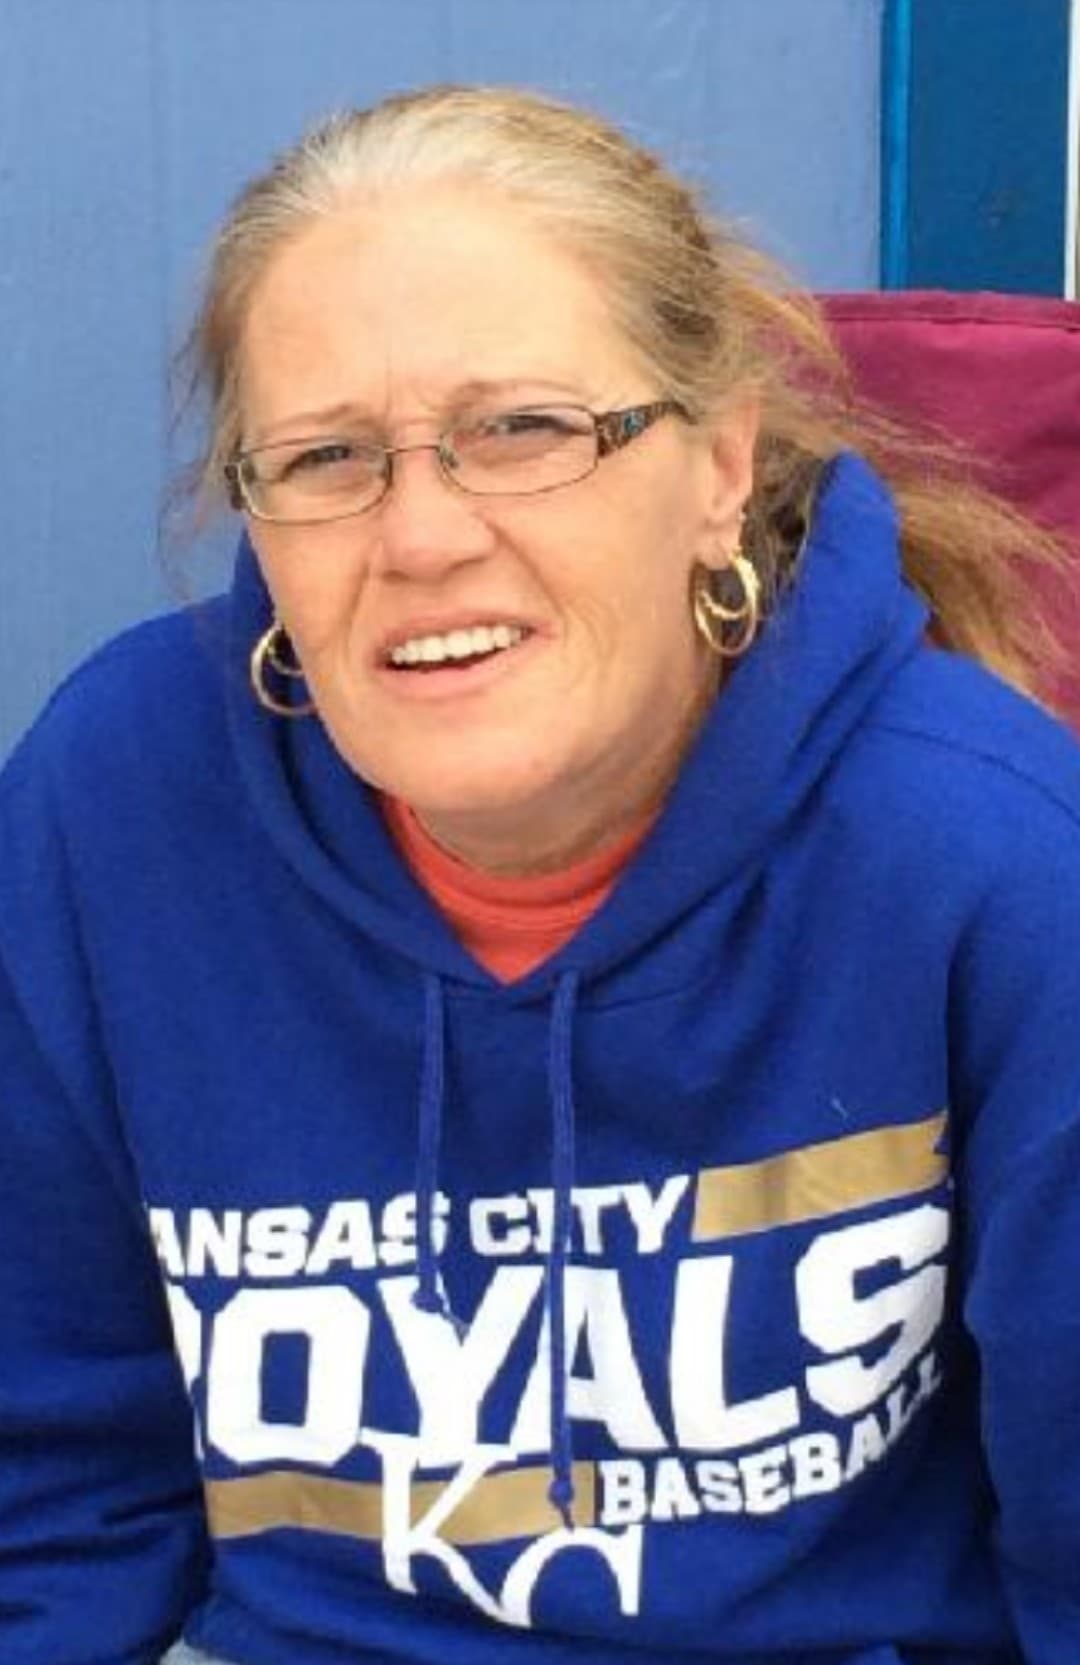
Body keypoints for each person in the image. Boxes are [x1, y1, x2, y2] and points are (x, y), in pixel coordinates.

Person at [2, 83, 1079, 1665]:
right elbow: (50, 1490)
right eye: (326, 456)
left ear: (719, 464)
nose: (421, 536)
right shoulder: (114, 807)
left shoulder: (992, 851)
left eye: (523, 430)